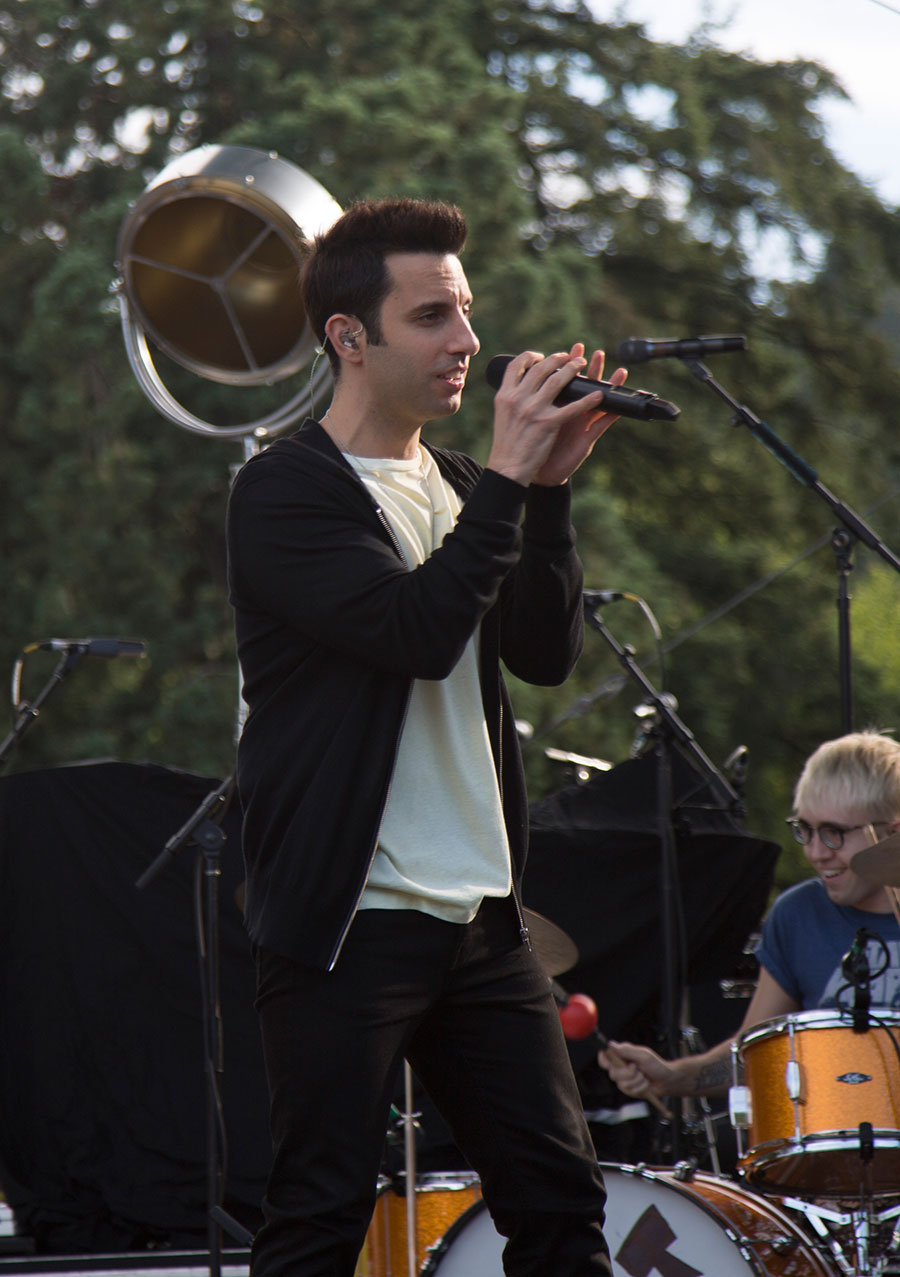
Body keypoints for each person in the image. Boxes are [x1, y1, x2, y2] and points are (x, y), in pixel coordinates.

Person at [226, 196, 627, 1276]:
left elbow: (541, 654)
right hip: (345, 919)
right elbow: (414, 630)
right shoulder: (283, 492)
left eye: (466, 312)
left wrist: (544, 497)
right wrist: (506, 479)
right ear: (349, 337)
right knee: (317, 1214)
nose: (467, 343)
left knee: (559, 1204)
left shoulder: (455, 485)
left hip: (480, 917)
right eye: (433, 316)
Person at [599, 729, 900, 1102]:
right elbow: (752, 1053)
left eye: (834, 833)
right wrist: (673, 1077)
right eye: (805, 830)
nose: (816, 853)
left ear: (892, 833)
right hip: (832, 1138)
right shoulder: (797, 914)